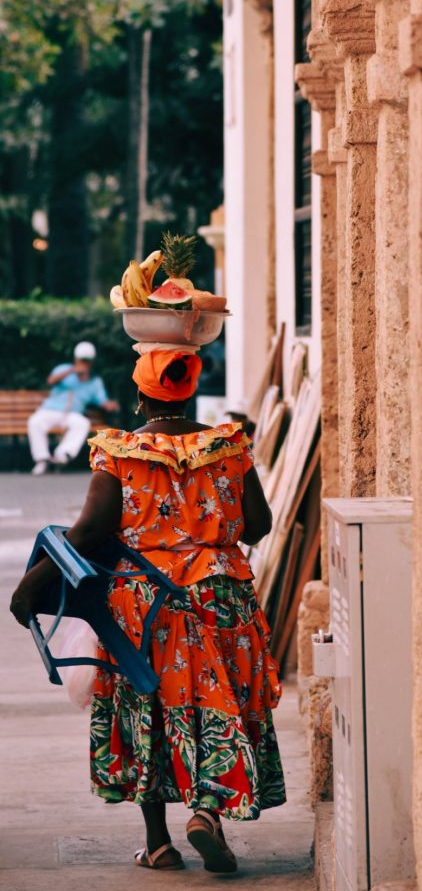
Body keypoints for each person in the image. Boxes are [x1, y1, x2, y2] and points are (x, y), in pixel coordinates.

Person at [11, 349, 285, 873]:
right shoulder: (227, 445)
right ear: (188, 391)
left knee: (147, 708)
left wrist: (35, 582)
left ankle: (158, 843)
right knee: (217, 701)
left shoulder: (120, 452)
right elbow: (258, 524)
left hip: (148, 602)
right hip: (220, 596)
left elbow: (91, 532)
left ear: (139, 398)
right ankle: (206, 813)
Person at [27, 341, 119, 476]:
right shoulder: (63, 369)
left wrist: (110, 405)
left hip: (72, 414)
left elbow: (103, 401)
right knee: (35, 421)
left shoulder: (94, 381)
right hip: (50, 410)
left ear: (92, 362)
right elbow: (51, 381)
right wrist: (72, 371)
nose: (84, 363)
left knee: (83, 423)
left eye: (87, 361)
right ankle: (42, 460)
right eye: (82, 360)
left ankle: (62, 455)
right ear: (76, 359)